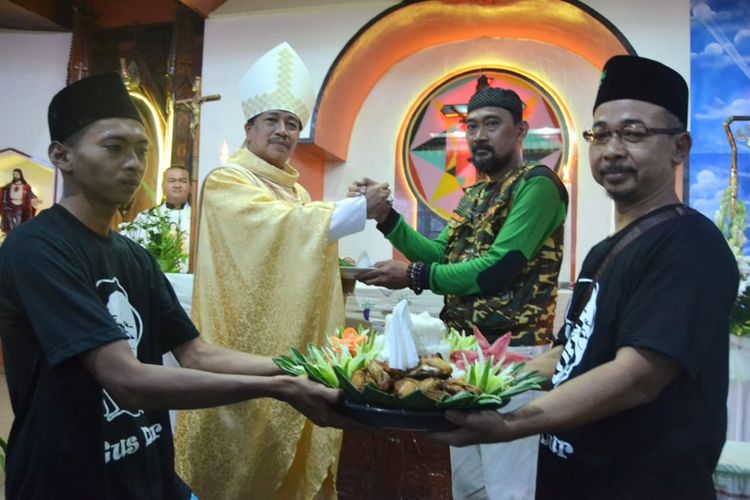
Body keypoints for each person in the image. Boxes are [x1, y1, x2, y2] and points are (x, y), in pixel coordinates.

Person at [0, 72, 356, 500]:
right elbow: (124, 377)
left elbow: (196, 353)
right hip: (69, 479)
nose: (134, 163)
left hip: (147, 474)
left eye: (141, 149)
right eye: (114, 147)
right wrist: (279, 386)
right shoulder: (37, 248)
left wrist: (304, 366)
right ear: (62, 156)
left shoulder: (133, 256)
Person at [429, 55, 739, 500]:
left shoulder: (689, 244)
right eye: (601, 134)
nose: (612, 149)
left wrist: (508, 424)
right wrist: (471, 386)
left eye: (634, 133)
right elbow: (569, 353)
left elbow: (637, 376)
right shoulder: (604, 252)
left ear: (680, 147)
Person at [174, 42, 389, 500]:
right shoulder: (228, 179)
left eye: (292, 123)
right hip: (238, 344)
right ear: (249, 128)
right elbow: (275, 228)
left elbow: (301, 234)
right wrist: (351, 210)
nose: (283, 130)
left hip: (292, 340)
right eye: (272, 120)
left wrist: (339, 254)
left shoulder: (296, 194)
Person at [353, 87, 568, 500]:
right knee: (469, 486)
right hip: (464, 352)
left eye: (492, 124)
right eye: (471, 126)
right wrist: (386, 218)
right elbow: (443, 256)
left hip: (515, 356)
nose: (479, 135)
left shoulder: (538, 185)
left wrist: (414, 274)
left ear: (521, 130)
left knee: (510, 487)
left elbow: (498, 271)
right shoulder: (477, 194)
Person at [122, 165, 192, 272]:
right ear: (163, 186)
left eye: (182, 181)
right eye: (171, 181)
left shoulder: (199, 219)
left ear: (190, 187)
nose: (177, 185)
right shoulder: (146, 217)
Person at [0, 168, 39, 233]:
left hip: (20, 208)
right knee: (9, 224)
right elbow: (2, 191)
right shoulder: (9, 185)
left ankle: (17, 234)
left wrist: (34, 199)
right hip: (10, 207)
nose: (15, 175)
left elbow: (30, 195)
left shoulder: (26, 186)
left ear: (20, 175)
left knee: (18, 224)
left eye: (16, 174)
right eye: (14, 174)